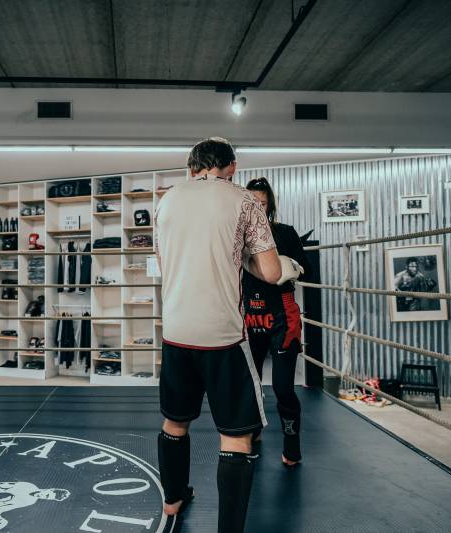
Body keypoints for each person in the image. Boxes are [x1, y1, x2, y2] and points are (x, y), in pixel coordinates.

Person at [155, 137, 283, 533]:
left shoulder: (167, 199)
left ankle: (173, 500)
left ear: (192, 166)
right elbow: (273, 272)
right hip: (223, 336)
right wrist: (244, 256)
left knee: (174, 423)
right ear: (231, 166)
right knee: (236, 437)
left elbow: (163, 261)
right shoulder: (244, 200)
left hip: (175, 331)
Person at [243, 177, 309, 466]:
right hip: (249, 317)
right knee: (250, 383)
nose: (258, 207)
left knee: (283, 387)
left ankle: (291, 446)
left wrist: (283, 267)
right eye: (253, 202)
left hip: (283, 317)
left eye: (262, 202)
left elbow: (302, 269)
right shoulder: (238, 236)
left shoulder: (284, 233)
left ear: (269, 204)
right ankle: (252, 431)